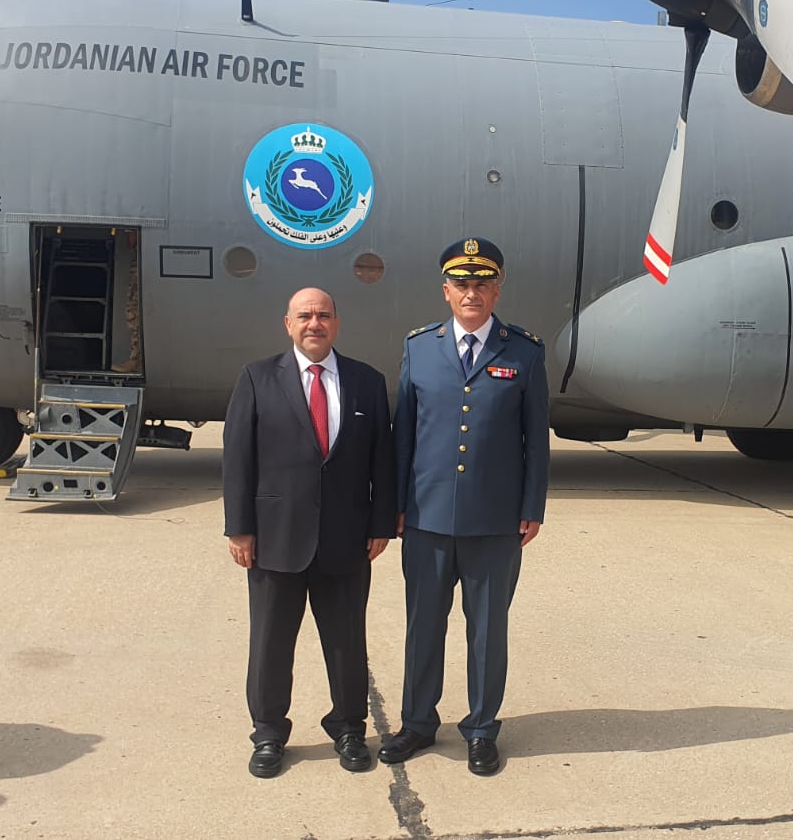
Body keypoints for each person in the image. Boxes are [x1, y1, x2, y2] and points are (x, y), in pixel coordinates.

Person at [379, 238, 550, 776]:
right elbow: (403, 434)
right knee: (423, 626)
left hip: (495, 521)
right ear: (446, 291)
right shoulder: (419, 348)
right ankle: (417, 723)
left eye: (482, 283)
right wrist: (396, 505)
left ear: (497, 290)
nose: (471, 293)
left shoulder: (523, 352)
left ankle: (480, 729)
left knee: (487, 631)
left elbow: (536, 439)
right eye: (462, 284)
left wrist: (532, 505)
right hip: (426, 517)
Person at [222, 287, 396, 778]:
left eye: (323, 315)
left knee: (347, 641)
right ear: (288, 324)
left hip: (346, 538)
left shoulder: (367, 381)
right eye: (304, 316)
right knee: (271, 643)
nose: (314, 323)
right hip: (274, 539)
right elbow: (238, 459)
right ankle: (269, 732)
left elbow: (382, 460)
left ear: (336, 323)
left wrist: (381, 523)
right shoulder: (257, 378)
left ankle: (349, 727)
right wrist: (240, 529)